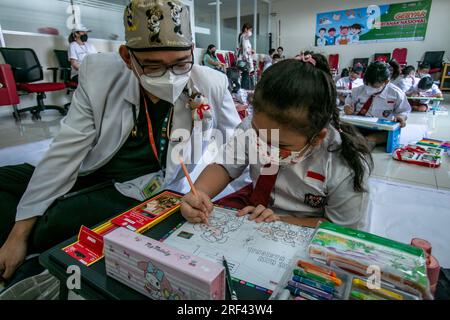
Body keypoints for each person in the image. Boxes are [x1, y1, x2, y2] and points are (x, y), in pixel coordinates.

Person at [0, 0, 241, 282]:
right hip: (91, 170)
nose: (170, 76)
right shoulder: (100, 74)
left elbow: (239, 144)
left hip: (140, 188)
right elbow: (64, 153)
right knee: (7, 181)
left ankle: (31, 246)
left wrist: (207, 189)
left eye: (180, 63)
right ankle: (22, 245)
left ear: (191, 52)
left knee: (53, 221)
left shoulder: (211, 83)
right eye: (152, 67)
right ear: (127, 57)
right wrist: (19, 233)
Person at [181, 54, 373, 229]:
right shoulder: (250, 127)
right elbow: (224, 166)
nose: (265, 149)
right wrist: (200, 193)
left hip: (304, 223)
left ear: (317, 138)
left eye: (280, 146)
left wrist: (280, 221)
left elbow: (342, 227)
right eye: (258, 136)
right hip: (257, 205)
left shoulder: (345, 165)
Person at [344, 61, 411, 145]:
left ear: (386, 82)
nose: (369, 88)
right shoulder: (358, 90)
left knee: (376, 138)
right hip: (358, 125)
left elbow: (405, 110)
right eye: (367, 84)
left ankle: (363, 142)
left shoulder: (396, 93)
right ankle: (360, 141)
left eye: (374, 86)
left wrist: (401, 117)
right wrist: (347, 108)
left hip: (381, 129)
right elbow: (348, 103)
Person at [237, 23, 255, 89]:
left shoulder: (243, 36)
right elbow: (245, 48)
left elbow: (245, 47)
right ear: (245, 29)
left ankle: (244, 89)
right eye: (250, 30)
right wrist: (249, 52)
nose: (251, 31)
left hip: (244, 58)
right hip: (245, 58)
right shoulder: (244, 36)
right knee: (245, 74)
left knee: (245, 74)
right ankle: (244, 89)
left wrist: (250, 50)